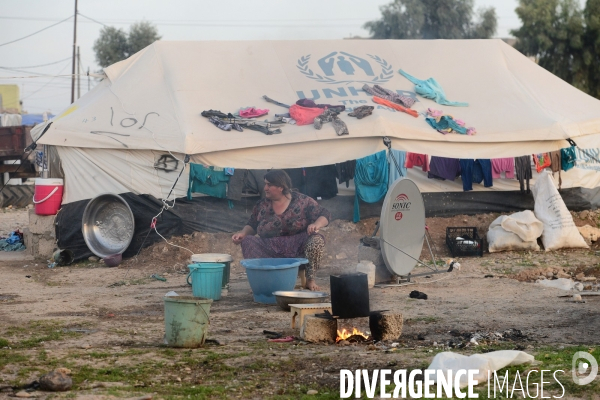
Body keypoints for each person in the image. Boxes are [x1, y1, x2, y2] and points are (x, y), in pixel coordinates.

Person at [232, 169, 330, 291]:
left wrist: (316, 224)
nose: (265, 188)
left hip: (297, 247)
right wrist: (243, 233)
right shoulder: (261, 205)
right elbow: (252, 224)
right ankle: (263, 281)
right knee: (248, 241)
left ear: (281, 187)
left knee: (316, 240)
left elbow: (324, 214)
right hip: (270, 248)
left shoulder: (302, 201)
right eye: (265, 184)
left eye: (269, 184)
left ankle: (310, 280)